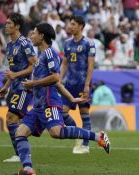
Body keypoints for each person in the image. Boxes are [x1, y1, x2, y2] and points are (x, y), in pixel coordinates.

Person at [15, 23, 110, 175]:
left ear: (41, 36)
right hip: (38, 106)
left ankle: (98, 136)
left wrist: (33, 83)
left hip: (49, 103)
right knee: (20, 133)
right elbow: (58, 84)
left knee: (56, 132)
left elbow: (55, 77)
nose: (31, 36)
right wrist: (71, 98)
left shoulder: (50, 54)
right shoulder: (40, 57)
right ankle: (28, 169)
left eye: (34, 33)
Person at [0, 13, 37, 163]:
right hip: (14, 86)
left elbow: (33, 66)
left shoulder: (25, 43)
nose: (6, 25)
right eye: (6, 23)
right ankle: (22, 153)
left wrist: (15, 76)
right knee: (17, 121)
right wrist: (6, 86)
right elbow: (12, 71)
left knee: (11, 118)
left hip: (24, 86)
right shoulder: (9, 45)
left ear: (17, 26)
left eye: (9, 23)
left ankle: (20, 155)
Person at [60, 15, 95, 154]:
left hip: (82, 84)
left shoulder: (89, 43)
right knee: (62, 113)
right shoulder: (67, 43)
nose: (70, 26)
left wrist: (87, 84)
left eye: (73, 24)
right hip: (69, 84)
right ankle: (77, 135)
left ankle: (85, 146)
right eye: (70, 24)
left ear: (81, 26)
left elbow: (91, 65)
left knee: (84, 114)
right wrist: (59, 79)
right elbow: (64, 63)